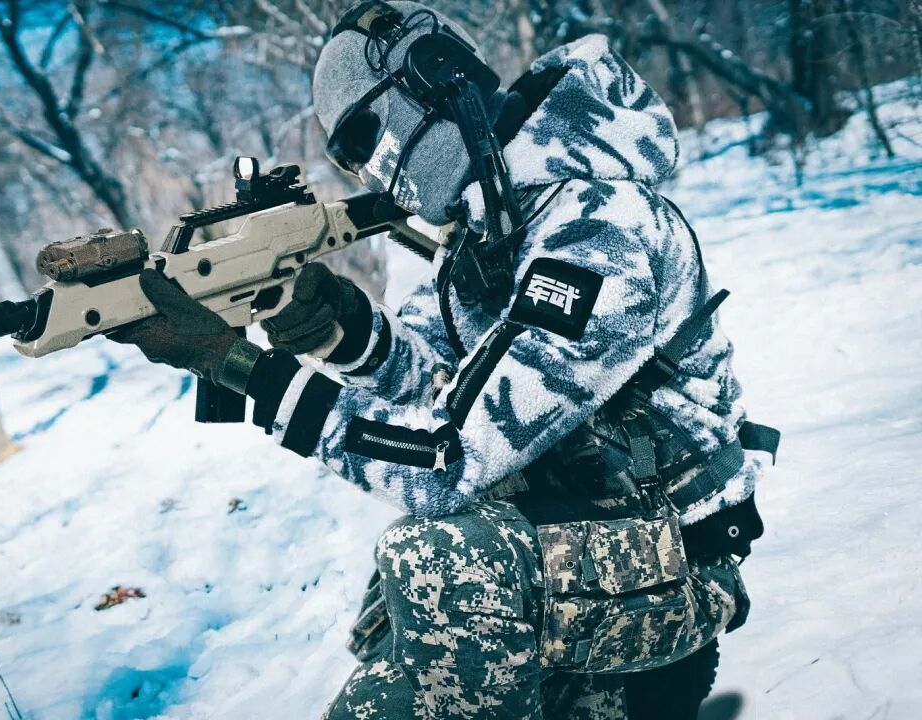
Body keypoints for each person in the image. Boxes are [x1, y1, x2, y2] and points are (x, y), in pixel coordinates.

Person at [111, 2, 779, 717]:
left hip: (672, 569)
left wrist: (240, 366)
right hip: (577, 544)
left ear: (433, 83)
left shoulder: (599, 231)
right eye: (347, 155)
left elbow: (445, 458)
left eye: (366, 135)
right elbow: (437, 380)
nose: (370, 167)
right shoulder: (491, 224)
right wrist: (337, 327)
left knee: (434, 558)